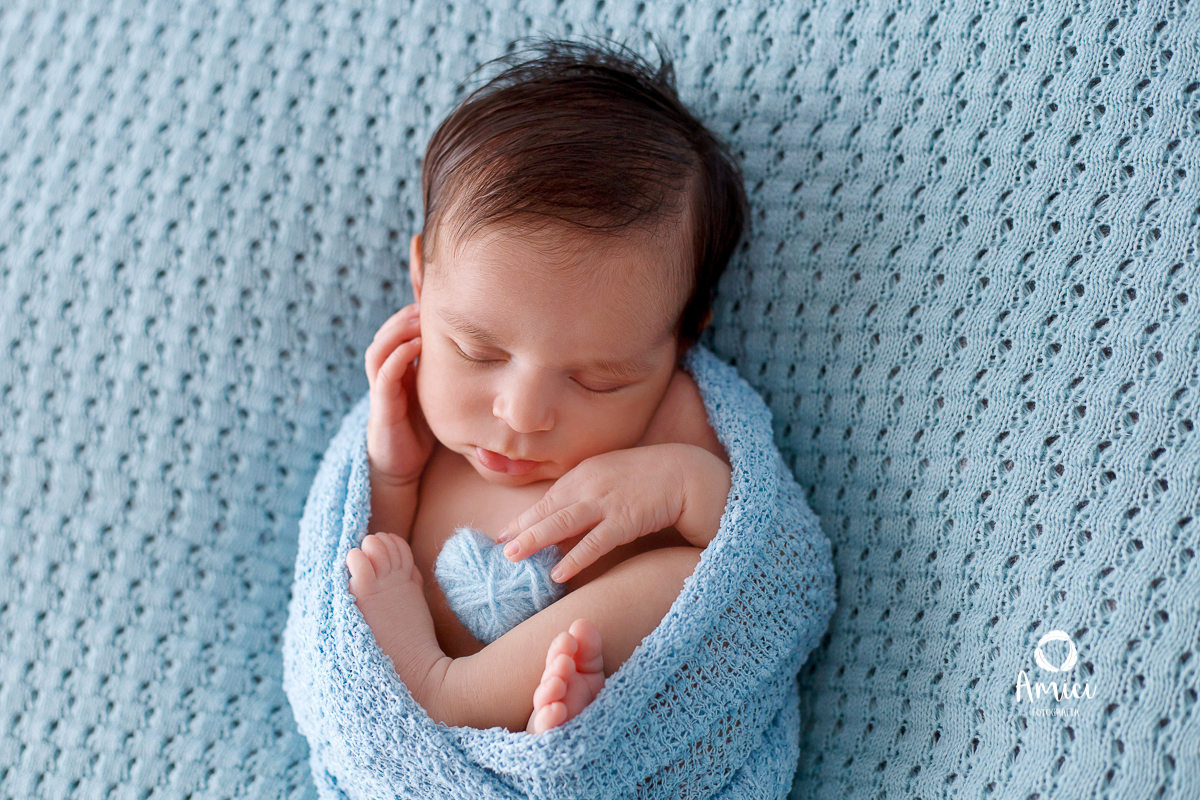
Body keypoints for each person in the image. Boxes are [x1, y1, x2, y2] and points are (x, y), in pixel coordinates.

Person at [345, 38, 747, 735]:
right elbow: (372, 573)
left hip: (589, 715)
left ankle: (469, 699)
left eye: (598, 379)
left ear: (684, 338)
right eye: (475, 350)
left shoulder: (672, 418)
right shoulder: (413, 417)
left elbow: (754, 572)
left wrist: (690, 486)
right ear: (421, 281)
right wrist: (392, 476)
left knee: (684, 577)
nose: (522, 414)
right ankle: (473, 708)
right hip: (435, 746)